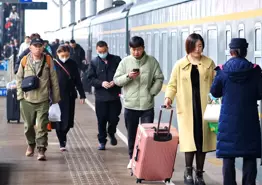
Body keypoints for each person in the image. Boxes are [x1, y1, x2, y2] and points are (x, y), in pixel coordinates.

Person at [210, 38, 262, 185]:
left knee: (228, 156)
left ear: (231, 52)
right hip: (249, 119)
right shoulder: (254, 70)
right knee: (249, 155)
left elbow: (215, 92)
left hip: (228, 121)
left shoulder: (222, 71)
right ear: (245, 51)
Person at [164, 33, 216, 185]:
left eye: (200, 46)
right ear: (189, 47)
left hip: (204, 108)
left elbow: (216, 83)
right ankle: (188, 172)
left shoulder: (209, 63)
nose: (198, 49)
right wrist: (168, 98)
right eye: (195, 46)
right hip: (187, 108)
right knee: (189, 141)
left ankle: (199, 174)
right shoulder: (180, 65)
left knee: (202, 142)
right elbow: (172, 84)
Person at [113, 36, 164, 168]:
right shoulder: (125, 62)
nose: (136, 52)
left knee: (147, 135)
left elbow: (159, 78)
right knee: (132, 134)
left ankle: (145, 160)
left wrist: (152, 92)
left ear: (143, 48)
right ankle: (132, 158)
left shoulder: (152, 61)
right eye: (133, 50)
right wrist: (128, 76)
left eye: (139, 49)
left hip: (147, 105)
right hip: (130, 105)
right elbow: (117, 80)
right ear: (130, 49)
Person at [16, 38, 60, 160]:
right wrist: (20, 96)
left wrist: (55, 98)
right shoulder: (24, 60)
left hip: (43, 99)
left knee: (42, 126)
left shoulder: (48, 60)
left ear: (43, 47)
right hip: (27, 100)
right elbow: (19, 78)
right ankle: (31, 145)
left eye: (40, 46)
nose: (37, 48)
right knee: (28, 126)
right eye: (35, 46)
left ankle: (41, 150)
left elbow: (54, 80)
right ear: (30, 48)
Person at [87, 41, 122, 150]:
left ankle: (111, 132)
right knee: (101, 120)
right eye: (100, 52)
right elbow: (90, 79)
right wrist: (101, 83)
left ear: (108, 48)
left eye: (104, 51)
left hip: (114, 96)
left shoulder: (116, 60)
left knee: (114, 118)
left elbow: (122, 74)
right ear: (97, 51)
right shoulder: (94, 62)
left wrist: (115, 82)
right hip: (101, 97)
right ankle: (102, 141)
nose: (102, 53)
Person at [54, 45, 86, 151]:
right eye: (62, 55)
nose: (64, 57)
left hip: (70, 95)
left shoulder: (72, 64)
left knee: (68, 120)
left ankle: (64, 134)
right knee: (58, 119)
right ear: (58, 54)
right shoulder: (53, 64)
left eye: (66, 55)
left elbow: (77, 79)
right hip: (56, 96)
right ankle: (61, 141)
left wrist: (82, 94)